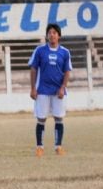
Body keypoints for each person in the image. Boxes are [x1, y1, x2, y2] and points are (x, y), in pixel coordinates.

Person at [28, 23, 72, 157]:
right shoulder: (40, 50)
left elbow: (67, 71)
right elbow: (33, 69)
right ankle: (39, 147)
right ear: (47, 35)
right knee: (41, 119)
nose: (51, 35)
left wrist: (62, 87)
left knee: (59, 118)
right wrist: (33, 88)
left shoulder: (65, 52)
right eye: (49, 32)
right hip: (42, 90)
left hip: (58, 91)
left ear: (59, 36)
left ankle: (58, 147)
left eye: (54, 32)